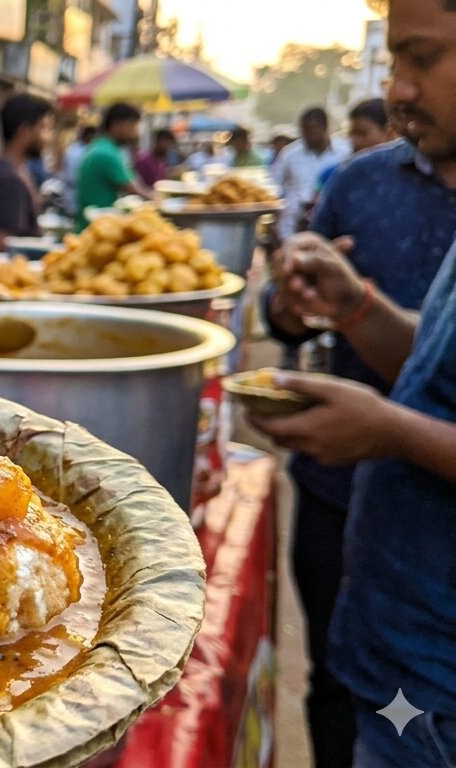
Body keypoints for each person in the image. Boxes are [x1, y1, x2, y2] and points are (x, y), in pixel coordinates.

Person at [252, 1, 456, 764]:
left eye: (422, 59)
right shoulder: (362, 183)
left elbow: (413, 412)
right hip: (399, 648)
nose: (396, 89)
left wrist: (390, 430)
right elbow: (437, 371)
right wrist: (352, 304)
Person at [0, 93, 52, 253]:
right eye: (44, 127)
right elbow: (2, 244)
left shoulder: (11, 169)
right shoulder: (9, 179)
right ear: (24, 131)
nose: (48, 137)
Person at [272, 106, 348, 238]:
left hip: (332, 220)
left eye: (312, 130)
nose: (308, 135)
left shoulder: (344, 152)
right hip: (293, 224)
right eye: (304, 130)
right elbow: (276, 187)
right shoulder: (290, 154)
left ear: (325, 128)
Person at [74, 102, 151, 231]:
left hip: (97, 225)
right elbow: (133, 189)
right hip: (98, 230)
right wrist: (160, 202)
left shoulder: (102, 147)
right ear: (117, 124)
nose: (135, 132)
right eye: (132, 125)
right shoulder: (107, 153)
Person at [60, 124, 96, 216]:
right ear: (89, 136)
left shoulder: (72, 149)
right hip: (75, 189)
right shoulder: (81, 151)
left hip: (72, 190)